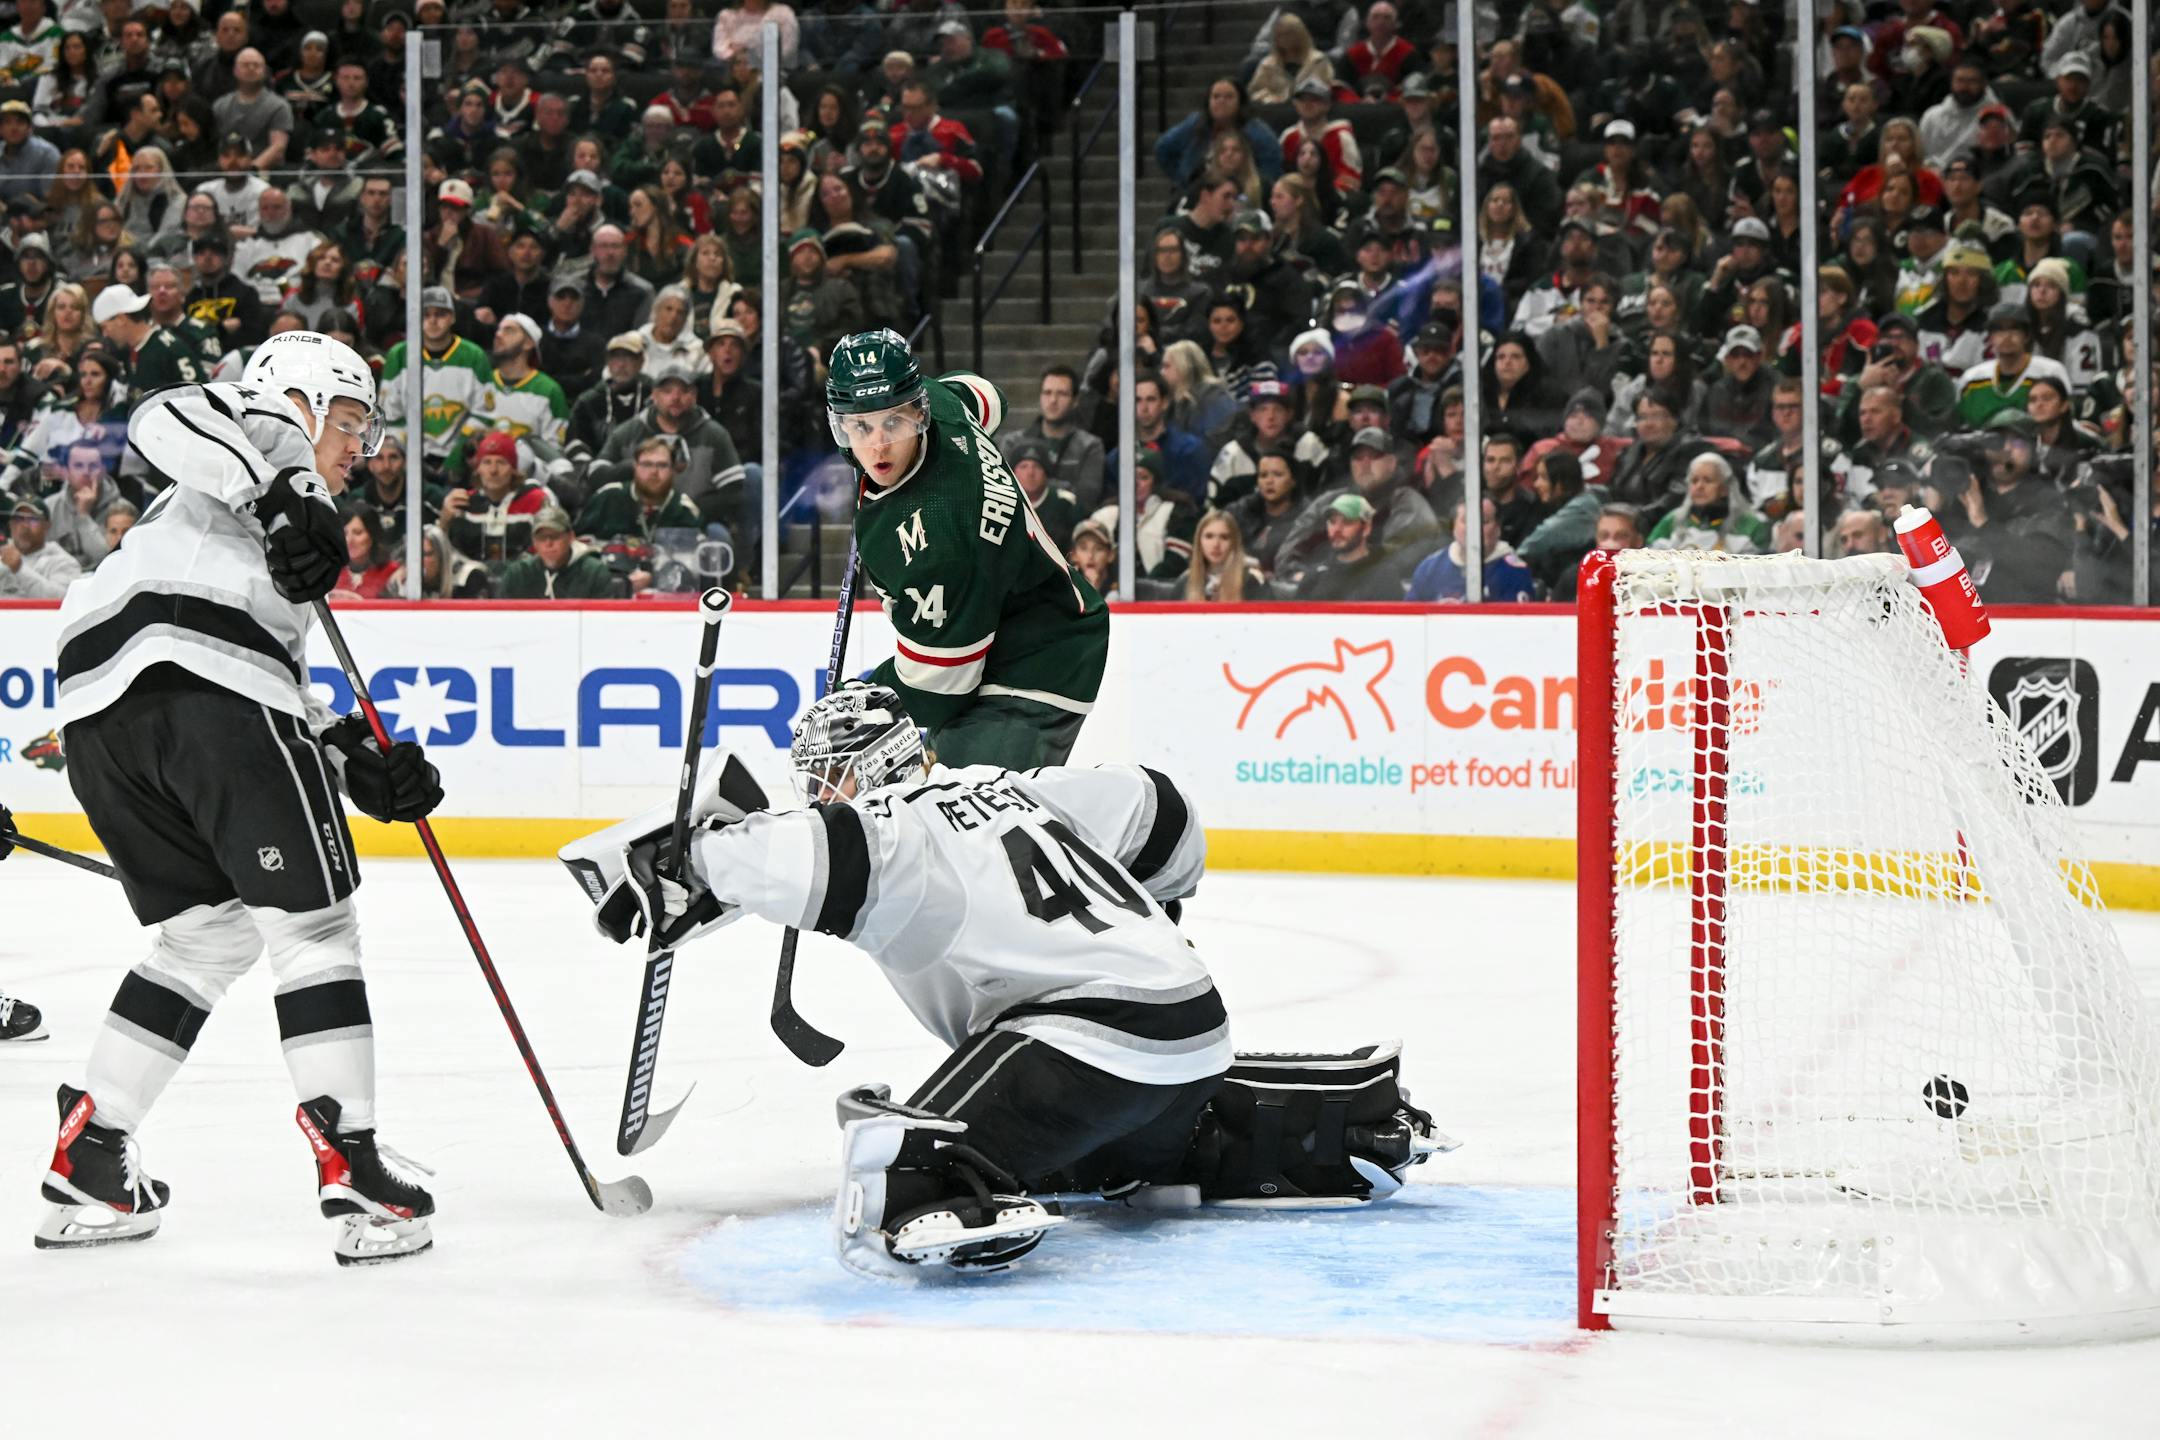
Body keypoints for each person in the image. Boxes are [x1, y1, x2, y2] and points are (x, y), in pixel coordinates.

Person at [564, 683, 1443, 1278]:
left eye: (826, 773)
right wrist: (1160, 923)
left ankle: (955, 1190)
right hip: (1193, 1036)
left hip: (1079, 1044)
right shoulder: (1012, 788)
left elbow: (805, 854)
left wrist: (677, 865)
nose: (818, 791)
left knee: (897, 1170)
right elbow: (1164, 808)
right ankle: (1328, 1117)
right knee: (1119, 1162)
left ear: (863, 771)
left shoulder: (888, 829)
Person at [32, 332, 442, 1264]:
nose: (356, 448)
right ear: (297, 400)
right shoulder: (254, 435)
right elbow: (158, 413)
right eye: (348, 422)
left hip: (105, 713)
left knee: (206, 936)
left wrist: (352, 756)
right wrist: (287, 489)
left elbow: (273, 678)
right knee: (316, 931)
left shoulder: (220, 517)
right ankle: (354, 1169)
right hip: (204, 688)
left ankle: (91, 1155)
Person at [827, 328, 1107, 768]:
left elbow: (940, 690)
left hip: (1032, 667)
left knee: (971, 825)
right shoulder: (944, 404)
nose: (877, 444)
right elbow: (988, 396)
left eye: (892, 422)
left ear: (917, 413)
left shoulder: (938, 539)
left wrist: (860, 697)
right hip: (1001, 627)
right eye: (861, 426)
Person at [497, 503, 616, 598]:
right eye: (542, 538)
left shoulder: (594, 573)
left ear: (570, 537)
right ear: (534, 542)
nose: (548, 543)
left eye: (555, 536)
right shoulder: (518, 574)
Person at [0, 495, 83, 596]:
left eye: (32, 520)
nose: (24, 526)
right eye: (18, 519)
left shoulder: (64, 562)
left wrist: (19, 570)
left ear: (47, 526)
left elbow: (63, 598)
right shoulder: (2, 553)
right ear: (10, 525)